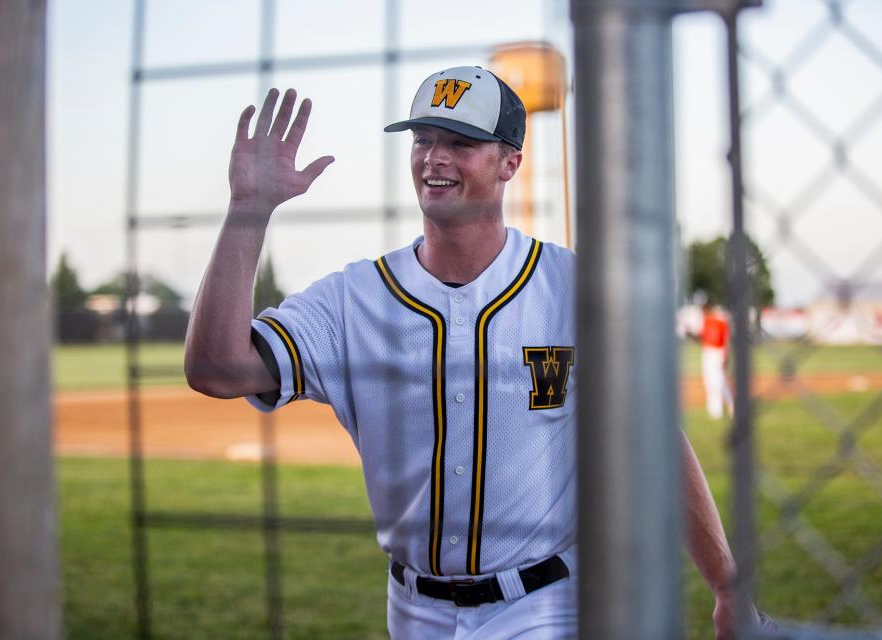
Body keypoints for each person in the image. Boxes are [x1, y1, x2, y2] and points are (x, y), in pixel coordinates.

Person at [185, 66, 756, 639]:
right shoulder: (352, 299)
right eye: (423, 139)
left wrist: (727, 588)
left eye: (460, 142)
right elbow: (216, 370)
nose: (434, 158)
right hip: (411, 609)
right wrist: (249, 210)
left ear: (510, 162)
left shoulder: (576, 288)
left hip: (548, 601)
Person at [699, 301, 735, 420]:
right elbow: (703, 337)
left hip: (717, 352)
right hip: (707, 352)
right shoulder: (705, 320)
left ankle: (725, 407)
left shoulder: (720, 320)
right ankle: (715, 410)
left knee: (719, 382)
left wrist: (726, 355)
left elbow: (726, 339)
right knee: (709, 381)